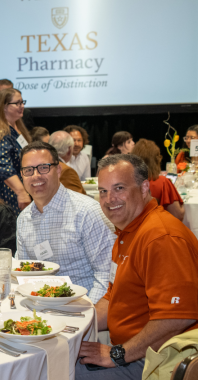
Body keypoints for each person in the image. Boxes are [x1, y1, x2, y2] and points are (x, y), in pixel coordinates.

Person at [76, 154, 198, 378]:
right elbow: (112, 299)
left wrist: (117, 355)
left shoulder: (161, 237)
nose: (109, 199)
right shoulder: (128, 232)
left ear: (143, 188)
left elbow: (177, 318)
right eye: (103, 191)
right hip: (135, 352)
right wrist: (75, 323)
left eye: (119, 188)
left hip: (157, 360)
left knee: (56, 372)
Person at [16, 142, 115, 303]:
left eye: (43, 167)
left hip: (83, 308)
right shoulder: (24, 219)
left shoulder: (87, 212)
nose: (35, 175)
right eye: (28, 170)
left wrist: (89, 314)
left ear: (59, 170)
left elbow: (107, 274)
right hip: (41, 310)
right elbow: (25, 274)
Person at [131, 139, 184, 221]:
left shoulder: (126, 182)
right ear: (156, 160)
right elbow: (178, 215)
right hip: (157, 230)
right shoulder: (162, 182)